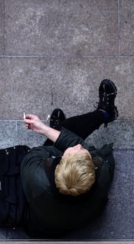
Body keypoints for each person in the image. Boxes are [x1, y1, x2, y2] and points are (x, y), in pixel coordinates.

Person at [21, 79, 118, 237]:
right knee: (66, 132)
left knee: (63, 132)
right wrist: (49, 131)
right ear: (92, 170)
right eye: (83, 152)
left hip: (44, 223)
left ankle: (100, 114)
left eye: (72, 151)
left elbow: (38, 152)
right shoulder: (102, 174)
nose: (80, 147)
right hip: (81, 219)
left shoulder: (35, 175)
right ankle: (105, 113)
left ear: (59, 162)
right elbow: (82, 144)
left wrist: (46, 130)